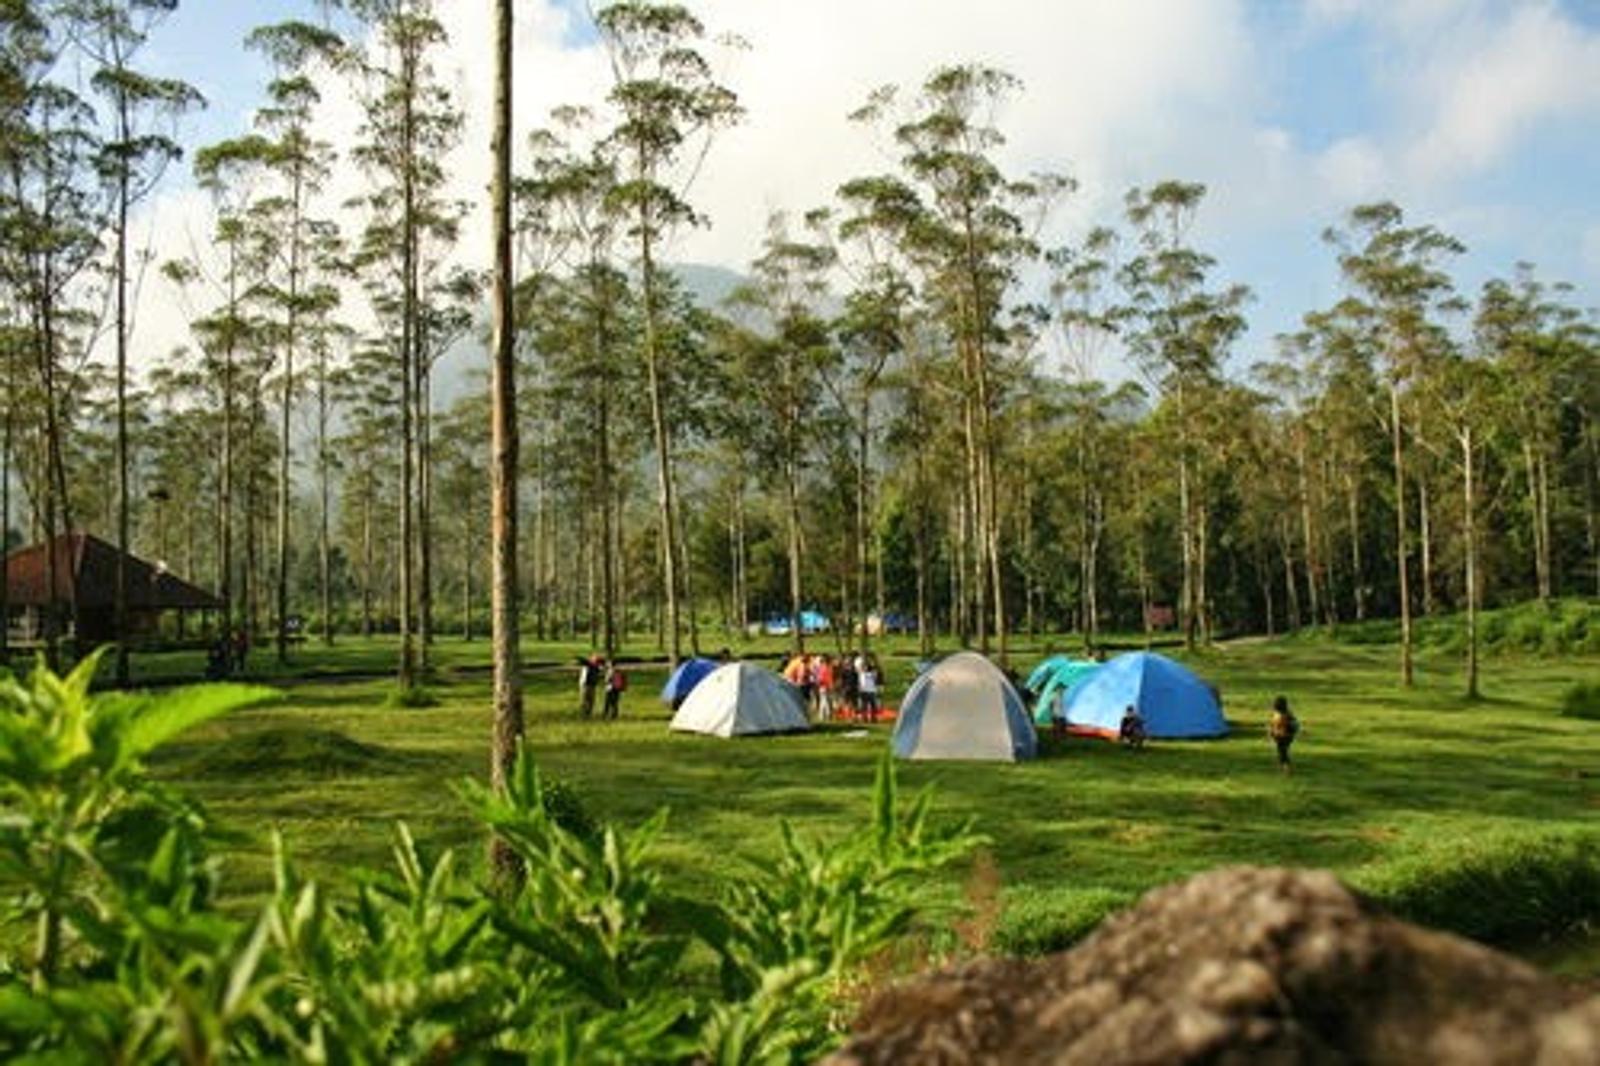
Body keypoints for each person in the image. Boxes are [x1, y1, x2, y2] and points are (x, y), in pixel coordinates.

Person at [1268, 695, 1300, 773]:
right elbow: (1273, 725)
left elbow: (1281, 727)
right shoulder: (1284, 714)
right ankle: (1283, 766)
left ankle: (1287, 768)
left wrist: (1275, 733)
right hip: (1284, 737)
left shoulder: (1284, 716)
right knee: (1282, 751)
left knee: (1283, 752)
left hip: (1283, 737)